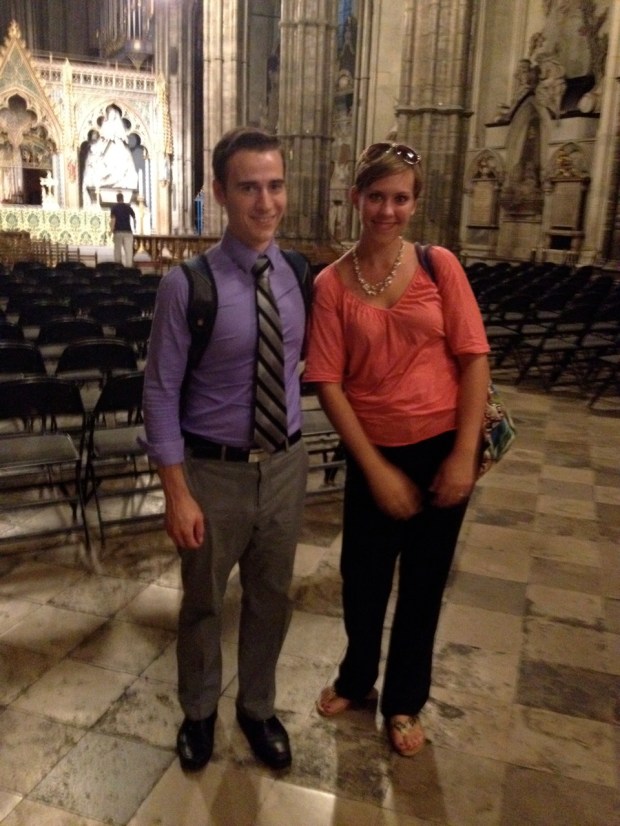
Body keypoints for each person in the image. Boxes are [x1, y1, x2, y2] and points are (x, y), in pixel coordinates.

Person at [303, 141, 490, 757]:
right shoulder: (331, 283)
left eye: (400, 198)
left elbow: (474, 360)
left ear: (415, 203)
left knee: (423, 587)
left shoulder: (440, 266)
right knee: (362, 581)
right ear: (356, 198)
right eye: (377, 197)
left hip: (441, 447)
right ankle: (357, 679)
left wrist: (463, 456)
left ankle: (405, 702)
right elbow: (327, 381)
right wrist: (375, 469)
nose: (388, 210)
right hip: (372, 450)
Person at [141, 126, 309, 773]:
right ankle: (200, 711)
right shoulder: (187, 285)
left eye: (275, 186)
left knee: (272, 598)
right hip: (213, 472)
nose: (265, 202)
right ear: (219, 192)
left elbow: (305, 361)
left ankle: (258, 708)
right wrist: (176, 492)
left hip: (285, 465)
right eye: (248, 188)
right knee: (205, 602)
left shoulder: (298, 274)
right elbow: (160, 392)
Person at [109, 193, 136, 266]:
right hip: (128, 231)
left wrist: (111, 230)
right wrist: (134, 227)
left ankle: (118, 267)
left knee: (117, 251)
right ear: (123, 198)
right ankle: (129, 267)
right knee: (129, 251)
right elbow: (134, 216)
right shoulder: (128, 207)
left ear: (117, 199)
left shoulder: (114, 208)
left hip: (118, 232)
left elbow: (113, 219)